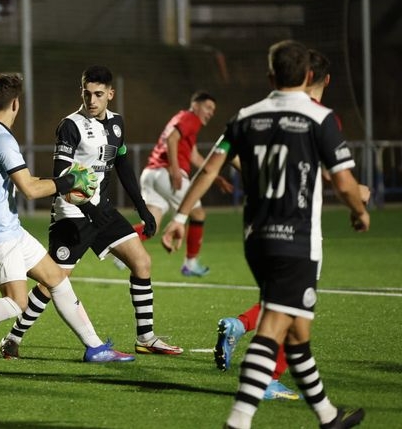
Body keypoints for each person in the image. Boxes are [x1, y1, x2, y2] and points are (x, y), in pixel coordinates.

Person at [162, 40, 369, 429]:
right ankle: (238, 421)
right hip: (297, 240)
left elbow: (209, 169)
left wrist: (180, 216)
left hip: (257, 238)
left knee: (296, 332)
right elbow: (342, 181)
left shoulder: (245, 117)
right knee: (276, 325)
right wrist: (360, 210)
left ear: (270, 75)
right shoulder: (319, 117)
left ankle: (328, 416)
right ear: (309, 76)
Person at [0, 73, 134, 370]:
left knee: (56, 279)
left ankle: (95, 348)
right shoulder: (1, 138)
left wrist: (62, 182)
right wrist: (69, 180)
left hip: (8, 227)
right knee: (16, 303)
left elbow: (28, 180)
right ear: (16, 104)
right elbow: (31, 190)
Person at [214, 48, 372, 402]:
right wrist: (356, 197)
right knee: (291, 310)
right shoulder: (319, 116)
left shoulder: (264, 113)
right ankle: (265, 382)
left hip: (259, 227)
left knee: (282, 304)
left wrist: (259, 179)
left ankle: (243, 329)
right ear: (324, 80)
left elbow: (229, 156)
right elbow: (328, 174)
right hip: (299, 228)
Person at [0, 65, 182, 360]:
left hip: (102, 211)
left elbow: (121, 165)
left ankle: (146, 337)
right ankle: (12, 338)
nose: (92, 100)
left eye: (98, 94)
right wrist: (88, 206)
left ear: (111, 93)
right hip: (72, 214)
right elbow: (60, 177)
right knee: (51, 281)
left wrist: (142, 207)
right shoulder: (70, 126)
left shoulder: (117, 124)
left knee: (142, 262)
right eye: (87, 93)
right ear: (81, 92)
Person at [135, 90, 232, 276]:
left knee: (150, 225)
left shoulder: (183, 121)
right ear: (196, 105)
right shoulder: (190, 117)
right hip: (166, 172)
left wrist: (215, 176)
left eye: (213, 110)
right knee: (197, 213)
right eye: (208, 107)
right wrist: (174, 168)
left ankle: (119, 245)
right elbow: (172, 139)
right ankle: (190, 263)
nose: (211, 112)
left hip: (151, 173)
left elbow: (193, 155)